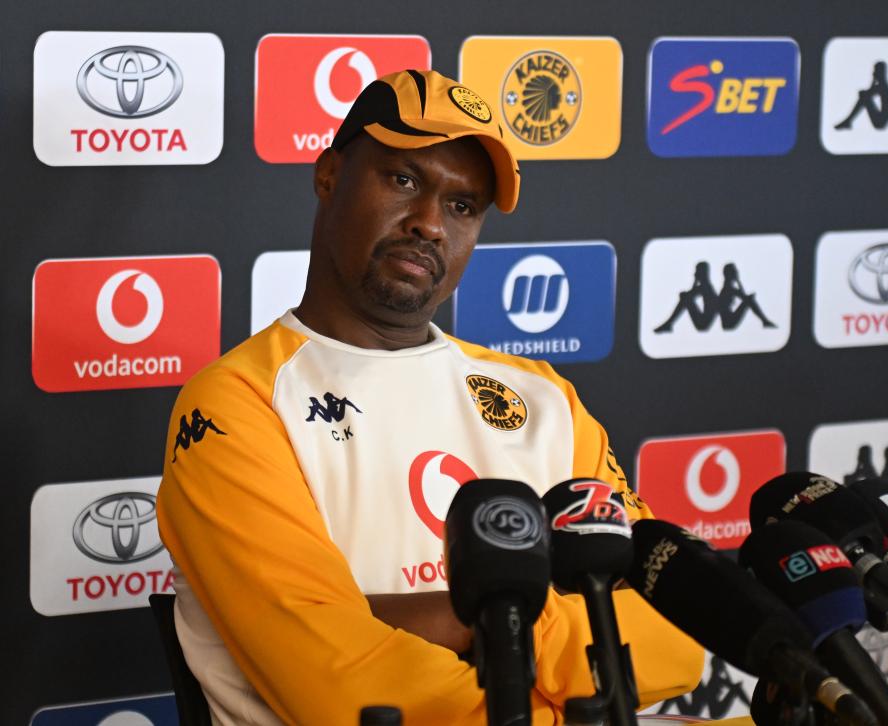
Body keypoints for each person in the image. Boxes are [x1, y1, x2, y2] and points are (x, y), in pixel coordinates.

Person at [157, 69, 703, 724]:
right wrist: (558, 654)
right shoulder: (236, 402)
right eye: (404, 180)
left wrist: (488, 621)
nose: (430, 225)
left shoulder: (543, 398)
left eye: (462, 206)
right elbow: (345, 690)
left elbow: (676, 639)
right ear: (329, 175)